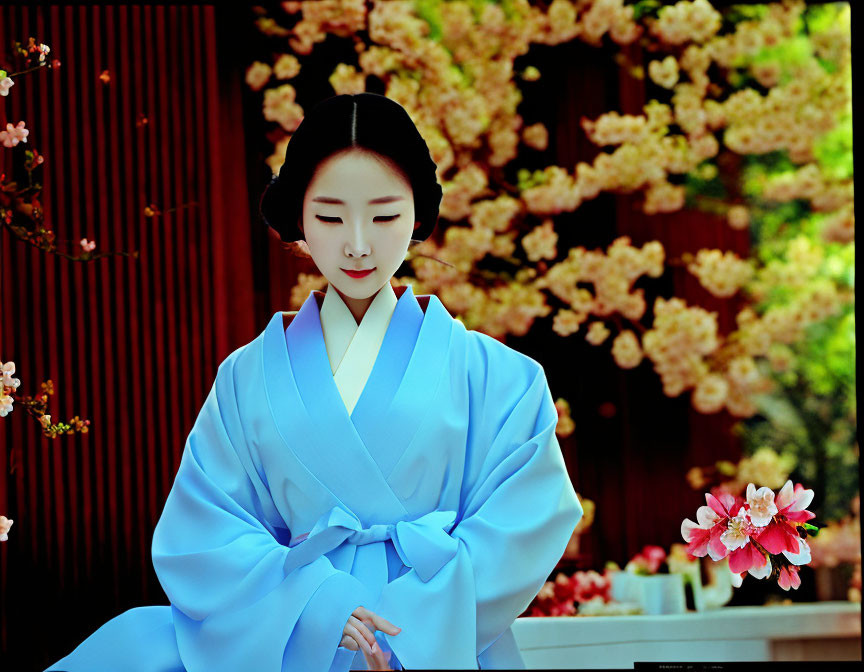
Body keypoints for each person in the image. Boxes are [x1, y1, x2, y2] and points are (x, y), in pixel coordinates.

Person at [44, 93, 583, 672]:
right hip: (299, 635)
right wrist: (316, 608)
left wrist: (412, 630)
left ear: (418, 217)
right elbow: (206, 531)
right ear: (299, 217)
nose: (357, 243)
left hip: (441, 639)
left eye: (383, 216)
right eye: (329, 216)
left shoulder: (498, 376)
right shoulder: (245, 379)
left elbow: (526, 516)